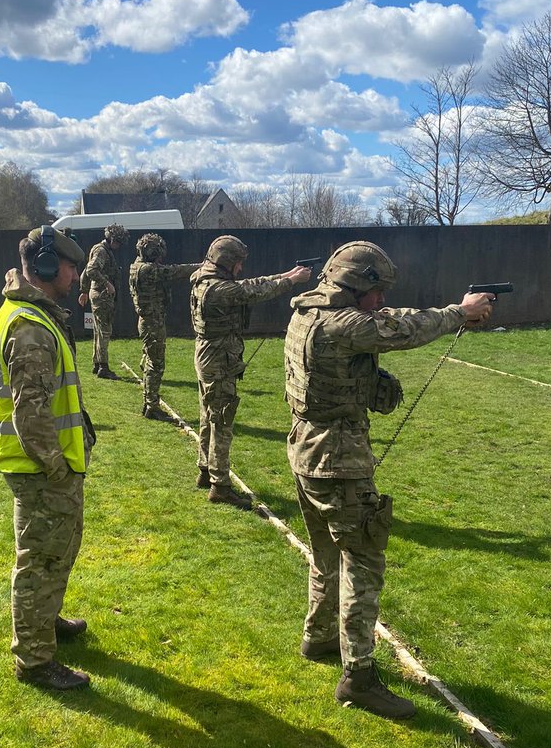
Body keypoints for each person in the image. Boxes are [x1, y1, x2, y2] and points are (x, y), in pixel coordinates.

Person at [284, 240, 494, 720]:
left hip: (305, 451)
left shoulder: (306, 312)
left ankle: (318, 639)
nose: (380, 301)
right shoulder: (341, 325)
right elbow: (400, 327)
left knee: (325, 556)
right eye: (374, 292)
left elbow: (385, 316)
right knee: (363, 561)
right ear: (354, 287)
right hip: (338, 461)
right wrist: (459, 312)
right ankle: (357, 676)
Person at [0, 226, 97, 691]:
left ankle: (46, 622)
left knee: (58, 549)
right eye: (71, 267)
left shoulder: (35, 314)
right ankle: (34, 660)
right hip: (41, 468)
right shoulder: (30, 326)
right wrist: (56, 466)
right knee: (40, 560)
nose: (76, 276)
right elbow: (29, 412)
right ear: (50, 266)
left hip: (50, 464)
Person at [190, 236, 311, 509]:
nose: (241, 269)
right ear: (227, 262)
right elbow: (253, 292)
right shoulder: (218, 289)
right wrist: (291, 282)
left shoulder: (203, 278)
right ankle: (220, 485)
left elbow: (248, 284)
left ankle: (205, 470)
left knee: (208, 417)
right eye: (239, 263)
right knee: (222, 421)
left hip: (208, 355)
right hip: (218, 359)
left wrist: (287, 274)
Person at [129, 233, 200, 420]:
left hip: (149, 320)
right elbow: (175, 271)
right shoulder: (146, 270)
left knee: (152, 362)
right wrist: (203, 267)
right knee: (156, 365)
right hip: (152, 322)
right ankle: (152, 406)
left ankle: (149, 403)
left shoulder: (136, 265)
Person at [78, 223, 129, 379]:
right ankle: (103, 367)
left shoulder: (98, 249)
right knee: (105, 331)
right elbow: (91, 270)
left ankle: (97, 363)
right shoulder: (102, 251)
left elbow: (86, 271)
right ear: (113, 239)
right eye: (119, 242)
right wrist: (107, 283)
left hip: (96, 294)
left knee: (98, 330)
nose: (119, 246)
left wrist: (84, 290)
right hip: (102, 296)